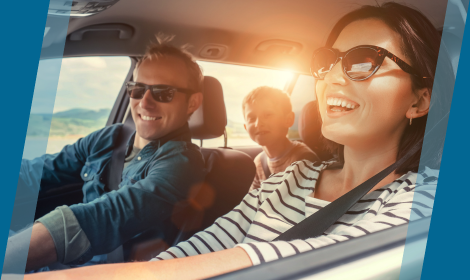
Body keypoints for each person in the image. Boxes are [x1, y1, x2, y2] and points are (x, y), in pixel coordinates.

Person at [24, 2, 449, 279]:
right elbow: (207, 246)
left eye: (363, 61)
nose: (333, 76)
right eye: (327, 62)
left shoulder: (424, 199)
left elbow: (292, 261)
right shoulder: (288, 178)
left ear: (419, 99)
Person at [6, 35, 206, 272]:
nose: (145, 103)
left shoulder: (182, 162)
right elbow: (41, 171)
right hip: (68, 263)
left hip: (108, 272)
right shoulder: (111, 138)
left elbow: (108, 215)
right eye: (137, 89)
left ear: (192, 103)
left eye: (163, 93)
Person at [242, 86, 320, 191]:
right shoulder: (259, 162)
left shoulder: (304, 159)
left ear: (288, 120)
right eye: (251, 118)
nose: (258, 123)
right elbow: (253, 200)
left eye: (268, 115)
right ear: (246, 127)